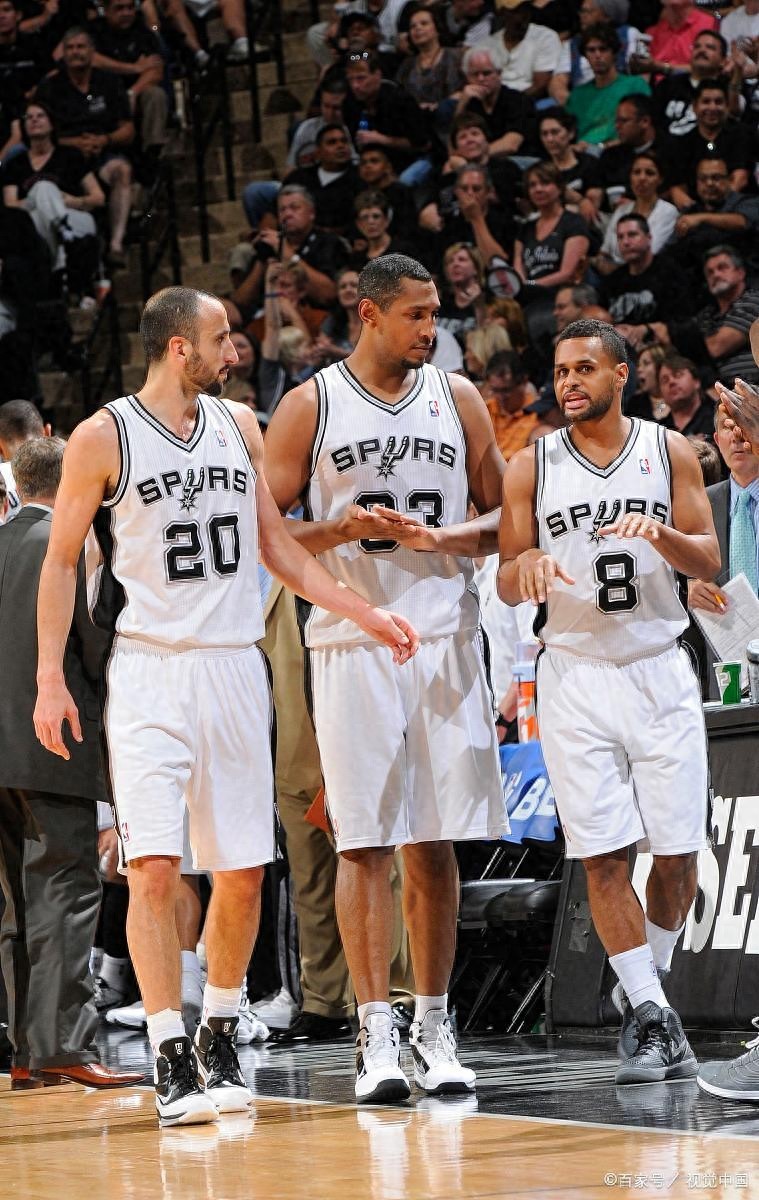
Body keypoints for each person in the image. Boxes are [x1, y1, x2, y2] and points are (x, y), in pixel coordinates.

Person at [33, 285, 418, 1126]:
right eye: (222, 338)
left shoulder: (240, 426)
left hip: (236, 667)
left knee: (242, 871)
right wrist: (50, 678)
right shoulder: (103, 436)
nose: (235, 351)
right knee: (153, 867)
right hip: (149, 670)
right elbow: (61, 562)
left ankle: (218, 1029)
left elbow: (275, 546)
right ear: (179, 347)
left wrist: (360, 610)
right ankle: (168, 1047)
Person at [263, 253, 507, 1103]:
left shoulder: (458, 397)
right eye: (415, 315)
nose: (430, 329)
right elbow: (265, 533)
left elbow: (506, 516)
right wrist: (337, 529)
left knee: (433, 841)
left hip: (444, 635)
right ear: (368, 314)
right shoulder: (310, 404)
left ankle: (433, 1025)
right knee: (362, 840)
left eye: (434, 313)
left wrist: (441, 540)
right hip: (352, 640)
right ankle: (374, 1035)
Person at [498, 317, 720, 1084]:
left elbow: (707, 560)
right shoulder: (530, 465)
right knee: (602, 854)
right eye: (560, 370)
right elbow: (505, 576)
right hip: (574, 673)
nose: (567, 382)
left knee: (678, 855)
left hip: (657, 666)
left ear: (621, 374)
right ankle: (652, 1013)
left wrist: (660, 535)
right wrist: (525, 564)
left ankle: (643, 992)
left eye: (583, 369)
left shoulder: (667, 450)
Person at [0, 437, 143, 1091]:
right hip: (54, 742)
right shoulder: (70, 546)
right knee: (64, 891)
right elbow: (97, 648)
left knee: (15, 903)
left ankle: (27, 1049)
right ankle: (63, 1046)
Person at [35, 26, 135, 267]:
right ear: (63, 53)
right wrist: (74, 143)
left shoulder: (109, 82)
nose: (75, 52)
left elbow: (128, 129)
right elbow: (39, 132)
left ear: (92, 51)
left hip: (103, 152)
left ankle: (116, 245)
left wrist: (105, 140)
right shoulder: (50, 87)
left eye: (81, 47)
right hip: (64, 156)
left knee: (122, 170)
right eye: (70, 48)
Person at [686, 403, 759, 701]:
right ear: (717, 439)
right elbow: (672, 576)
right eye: (728, 427)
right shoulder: (699, 506)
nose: (737, 436)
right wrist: (688, 587)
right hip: (726, 671)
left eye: (745, 424)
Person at [565, 23, 650, 149]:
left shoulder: (635, 84)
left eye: (603, 49)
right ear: (585, 55)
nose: (597, 55)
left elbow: (646, 127)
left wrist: (603, 146)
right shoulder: (577, 95)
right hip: (583, 153)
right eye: (591, 50)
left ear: (614, 53)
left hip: (621, 150)